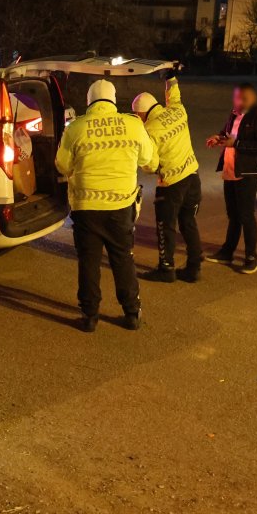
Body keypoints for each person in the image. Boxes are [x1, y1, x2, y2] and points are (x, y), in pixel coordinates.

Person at [55, 79, 155, 332]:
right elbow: (148, 159)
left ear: (89, 101)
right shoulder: (132, 125)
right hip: (120, 205)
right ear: (112, 99)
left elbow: (62, 165)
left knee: (88, 262)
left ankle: (89, 316)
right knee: (122, 259)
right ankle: (132, 313)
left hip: (86, 207)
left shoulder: (76, 127)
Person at [131, 68, 203, 283]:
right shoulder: (178, 110)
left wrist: (148, 169)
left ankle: (166, 268)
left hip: (171, 185)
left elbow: (150, 163)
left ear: (141, 113)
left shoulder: (149, 129)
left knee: (166, 226)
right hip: (193, 177)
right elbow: (175, 96)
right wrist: (170, 79)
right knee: (189, 223)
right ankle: (193, 268)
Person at [206, 83, 257, 274]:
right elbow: (229, 134)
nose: (239, 101)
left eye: (243, 98)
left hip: (248, 173)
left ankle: (251, 258)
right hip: (230, 170)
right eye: (236, 97)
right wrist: (219, 138)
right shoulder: (234, 114)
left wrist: (236, 143)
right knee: (233, 215)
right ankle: (227, 251)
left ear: (253, 98)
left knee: (246, 215)